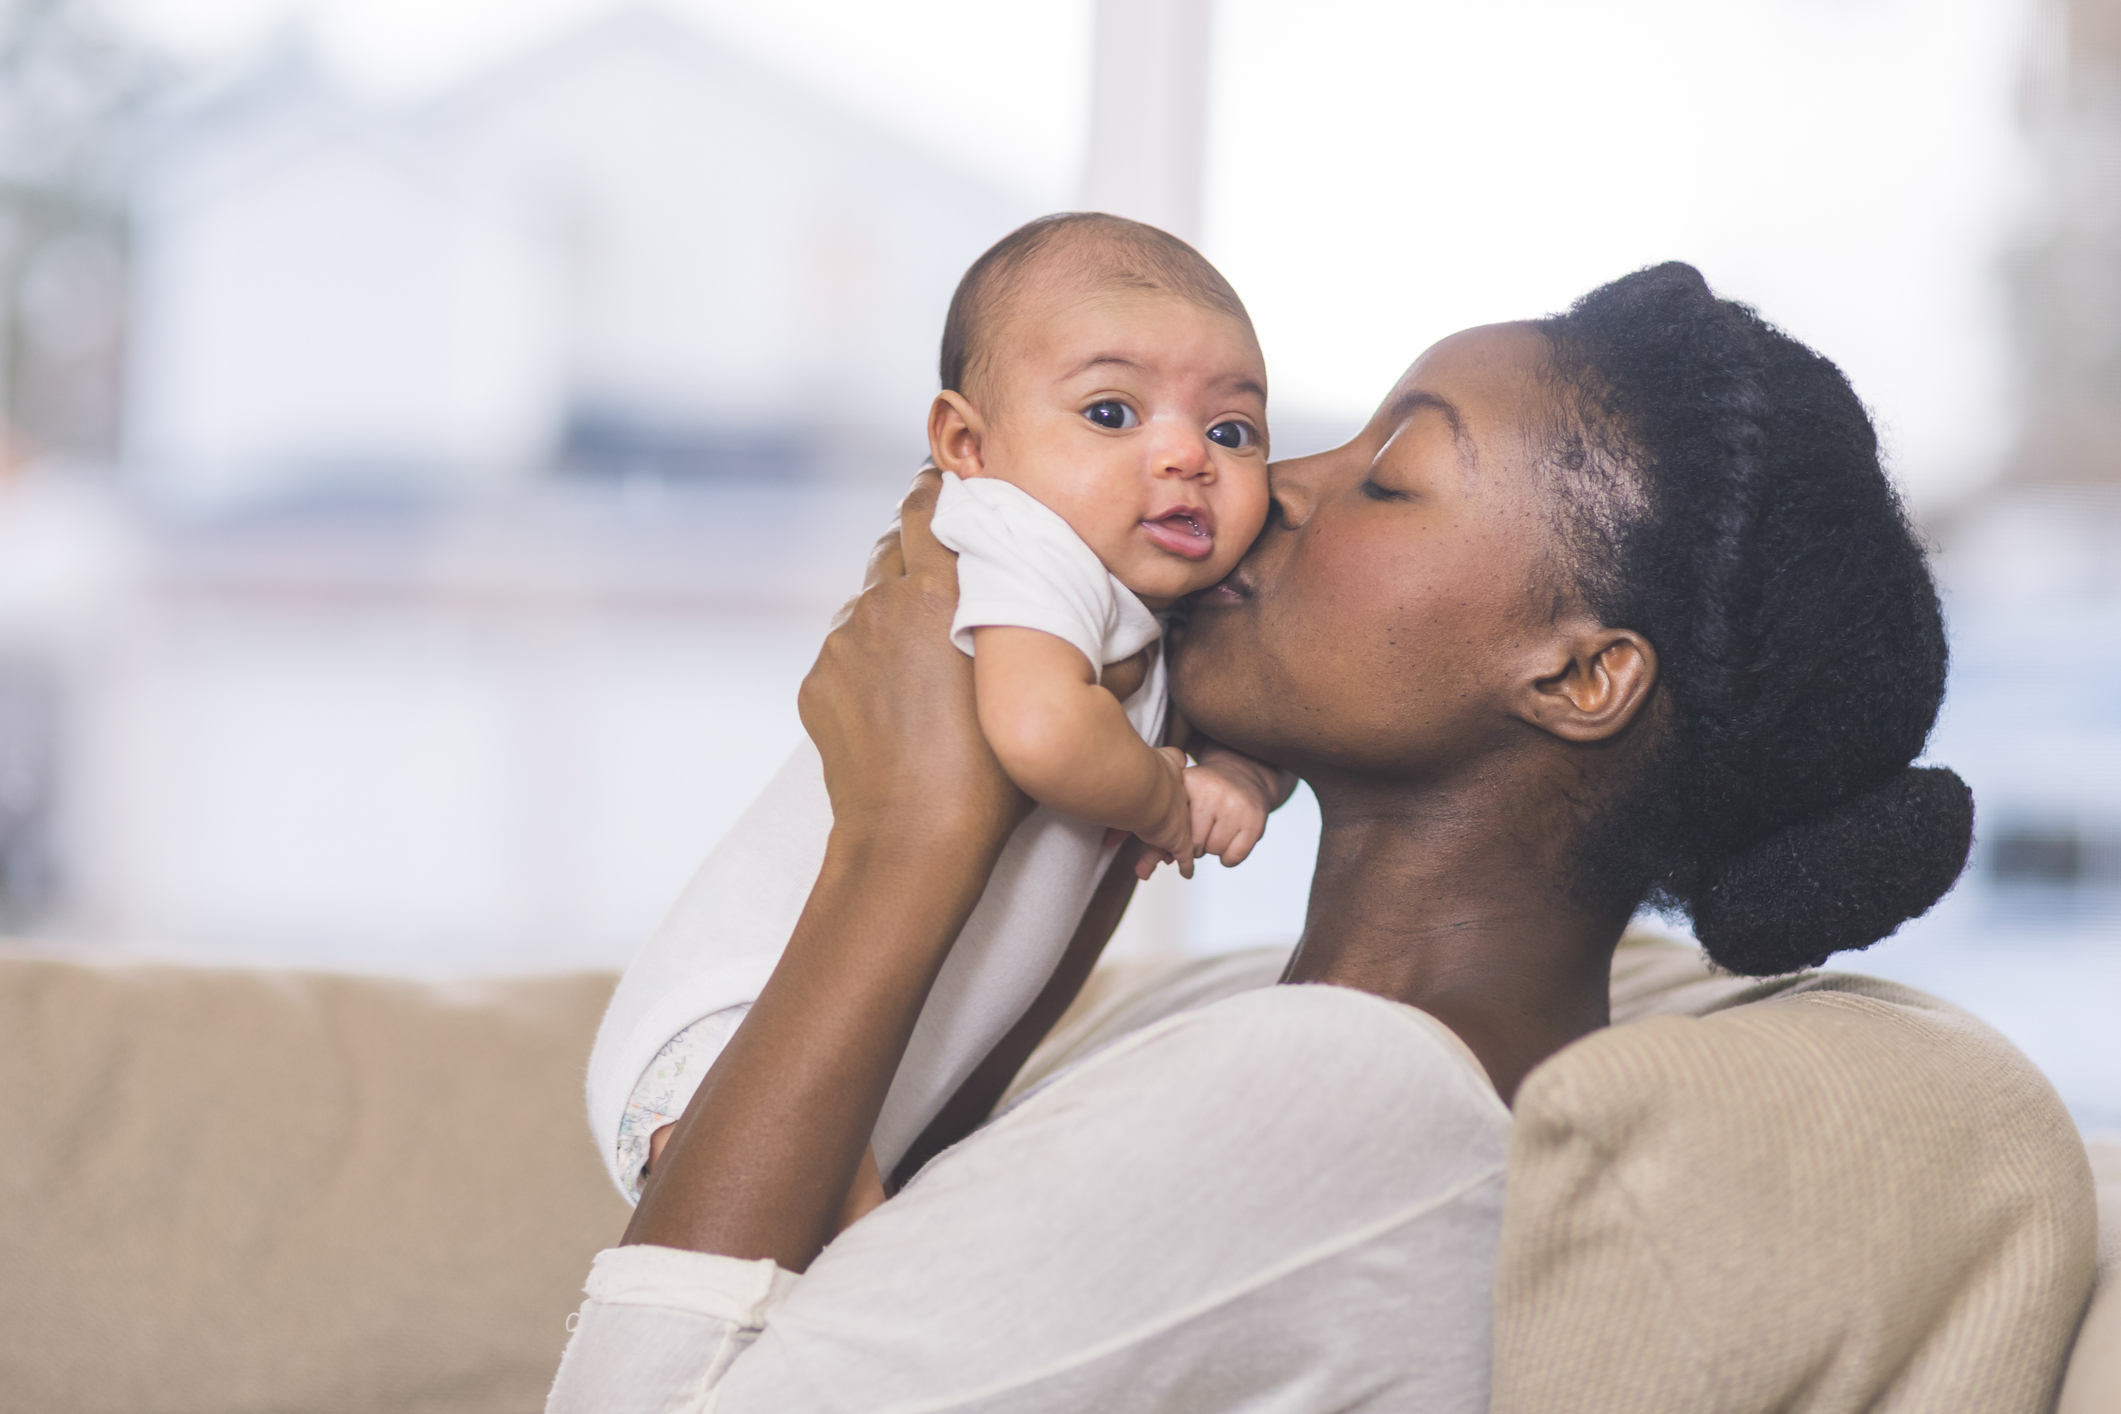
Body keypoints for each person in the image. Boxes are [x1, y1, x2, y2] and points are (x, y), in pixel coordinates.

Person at [546, 263, 1975, 1413]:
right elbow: (888, 1286)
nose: (1272, 481)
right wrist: (1058, 842)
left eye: (1388, 475)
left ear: (1577, 674)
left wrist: (902, 839)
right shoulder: (1289, 1021)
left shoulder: (1343, 1087)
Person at [585, 215, 1294, 1207]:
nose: (1186, 455)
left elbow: (1265, 726)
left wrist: (1246, 778)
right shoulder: (1019, 537)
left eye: (1232, 431)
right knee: (843, 1296)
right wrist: (1175, 803)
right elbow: (1044, 731)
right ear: (968, 443)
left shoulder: (1152, 608)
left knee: (843, 1297)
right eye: (1110, 412)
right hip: (729, 1024)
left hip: (877, 1053)